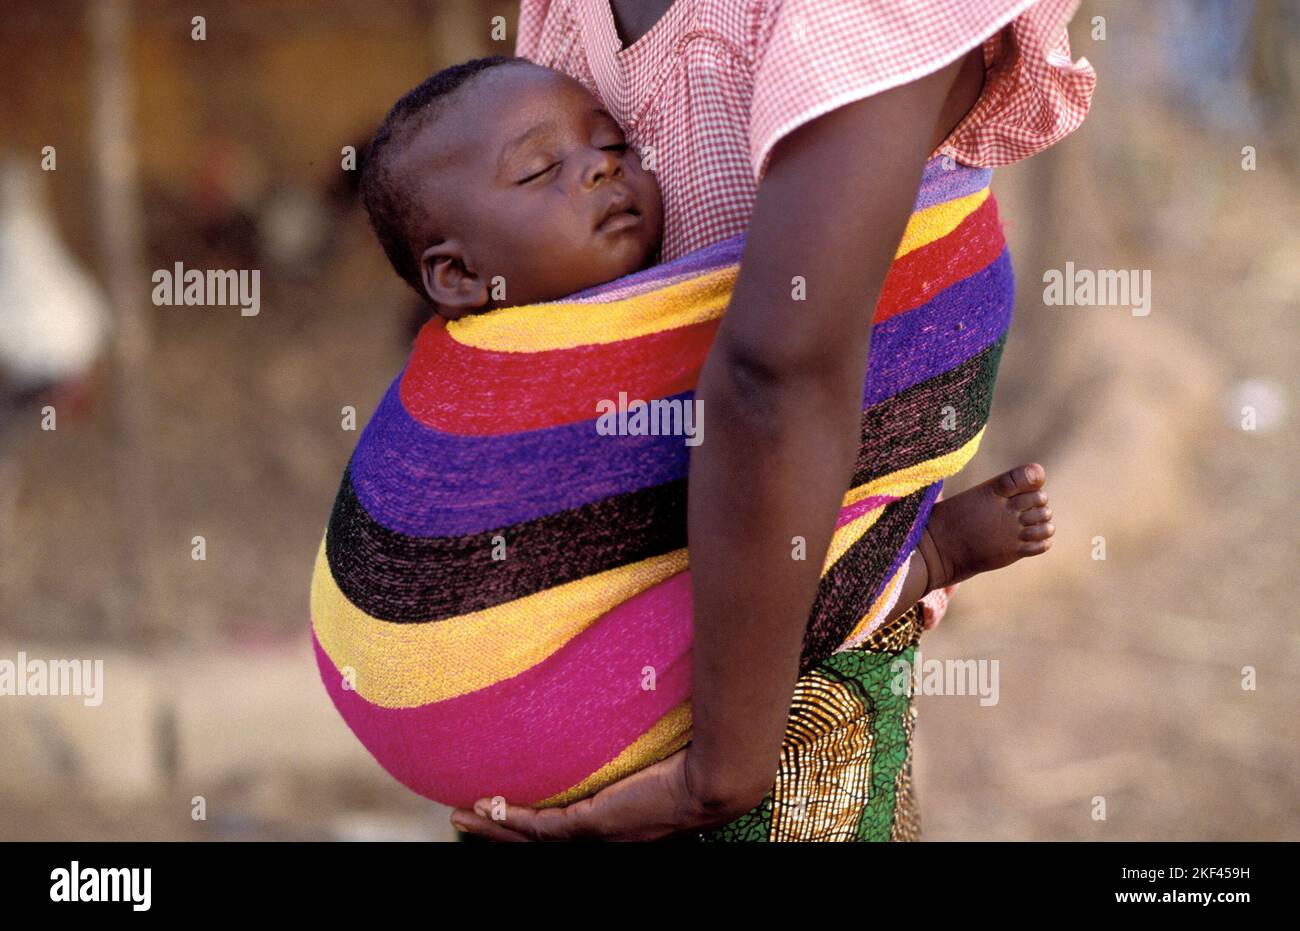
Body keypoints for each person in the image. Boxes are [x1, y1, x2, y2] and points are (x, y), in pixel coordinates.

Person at [448, 0, 1094, 842]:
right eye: (544, 170)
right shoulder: (561, 22)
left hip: (777, 685)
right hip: (602, 609)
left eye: (614, 149)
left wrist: (716, 777)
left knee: (836, 573)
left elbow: (778, 378)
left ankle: (931, 553)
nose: (604, 169)